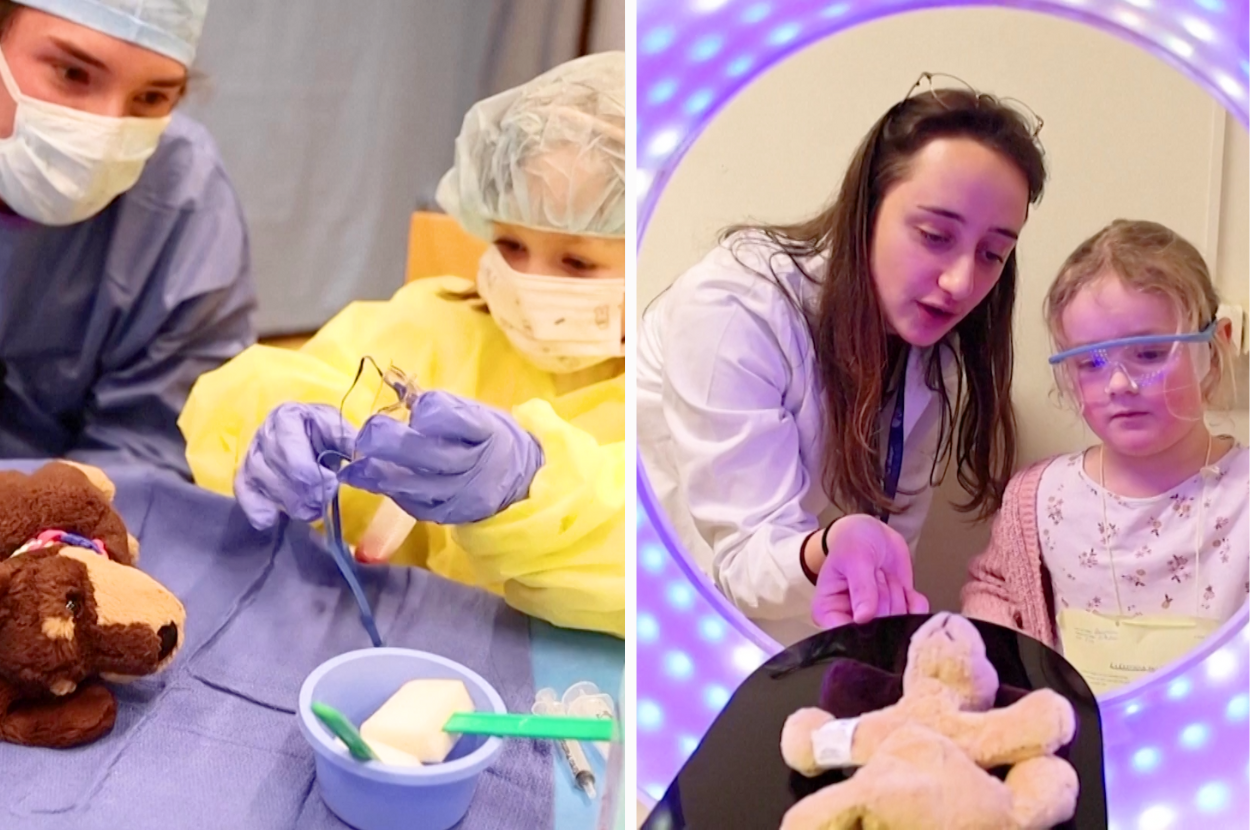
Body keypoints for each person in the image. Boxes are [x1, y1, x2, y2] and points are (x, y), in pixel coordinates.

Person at [180, 52, 626, 638]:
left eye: (575, 260)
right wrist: (275, 425)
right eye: (511, 245)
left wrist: (530, 492)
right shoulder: (438, 321)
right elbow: (288, 386)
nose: (526, 284)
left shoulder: (678, 389)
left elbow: (641, 567)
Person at [637, 74, 1047, 644]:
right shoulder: (736, 309)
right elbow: (741, 560)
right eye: (933, 235)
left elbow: (889, 542)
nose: (961, 282)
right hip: (668, 614)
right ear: (867, 208)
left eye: (993, 253)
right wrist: (831, 547)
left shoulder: (934, 352)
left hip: (799, 635)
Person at [962, 219, 1246, 693]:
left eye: (1151, 354)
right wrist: (1012, 666)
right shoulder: (1040, 501)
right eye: (1091, 363)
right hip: (1084, 751)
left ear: (1214, 350)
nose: (1119, 383)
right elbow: (994, 587)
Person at [0, 0, 254, 478]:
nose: (107, 130)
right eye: (72, 73)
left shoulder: (183, 202)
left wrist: (43, 529)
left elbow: (148, 449)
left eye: (152, 98)